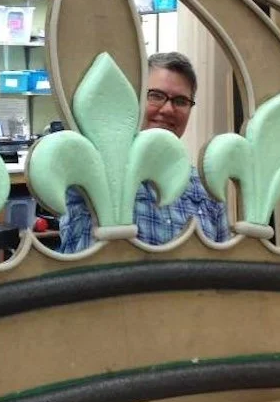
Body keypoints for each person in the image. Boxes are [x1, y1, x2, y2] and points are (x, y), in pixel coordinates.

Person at [58, 51, 230, 253]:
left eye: (181, 101)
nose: (168, 109)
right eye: (156, 96)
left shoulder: (205, 187)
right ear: (134, 99)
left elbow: (224, 264)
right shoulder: (93, 171)